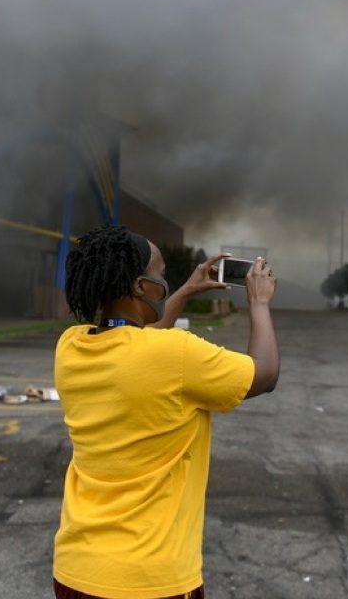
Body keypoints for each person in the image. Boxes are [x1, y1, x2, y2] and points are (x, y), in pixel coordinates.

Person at [52, 224, 279, 599]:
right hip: (149, 580)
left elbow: (140, 335)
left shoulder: (70, 347)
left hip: (76, 571)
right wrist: (259, 302)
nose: (166, 282)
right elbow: (265, 373)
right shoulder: (174, 354)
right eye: (160, 275)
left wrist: (189, 289)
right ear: (141, 286)